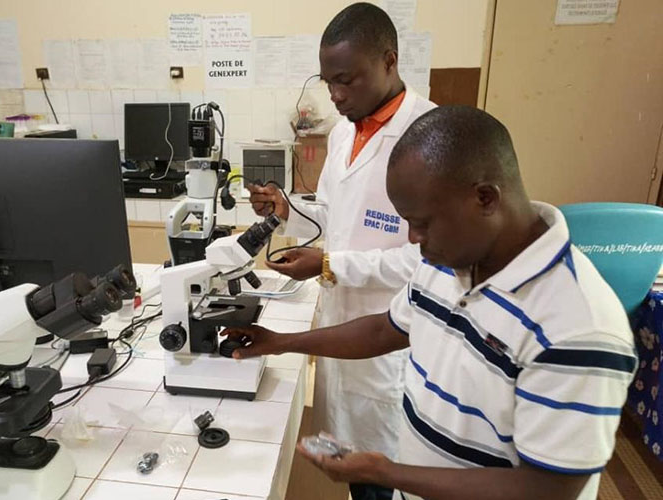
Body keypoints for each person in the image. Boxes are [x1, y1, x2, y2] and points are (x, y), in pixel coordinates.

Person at [227, 106, 637, 500]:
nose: (412, 239)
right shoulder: (448, 262)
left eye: (422, 223)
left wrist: (385, 472)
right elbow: (384, 329)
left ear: (485, 198)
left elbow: (548, 489)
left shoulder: (579, 327)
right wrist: (280, 342)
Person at [249, 4, 434, 499]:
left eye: (346, 80)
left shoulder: (429, 136)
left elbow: (427, 259)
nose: (334, 95)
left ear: (389, 61)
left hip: (394, 337)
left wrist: (331, 264)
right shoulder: (343, 132)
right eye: (328, 81)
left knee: (389, 474)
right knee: (353, 472)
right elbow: (333, 213)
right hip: (342, 330)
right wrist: (287, 209)